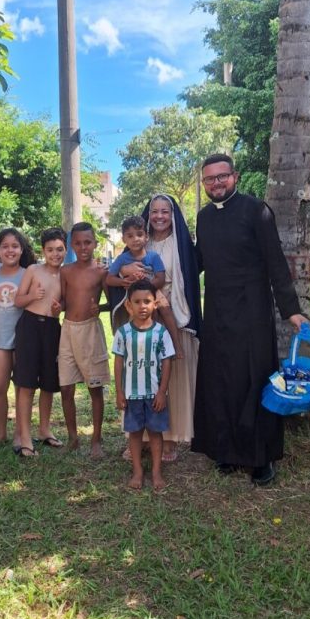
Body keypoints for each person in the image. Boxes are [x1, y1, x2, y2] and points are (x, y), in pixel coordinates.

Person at [191, 154, 308, 485]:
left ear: (235, 177)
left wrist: (291, 310)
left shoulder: (257, 211)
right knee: (221, 381)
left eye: (221, 177)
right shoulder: (203, 218)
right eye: (210, 179)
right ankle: (226, 452)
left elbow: (275, 263)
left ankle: (261, 457)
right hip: (216, 313)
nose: (216, 183)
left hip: (252, 312)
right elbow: (199, 260)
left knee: (254, 380)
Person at [138, 194, 201, 462]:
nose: (160, 216)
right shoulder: (141, 243)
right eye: (155, 211)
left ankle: (170, 439)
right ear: (148, 215)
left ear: (173, 214)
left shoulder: (182, 245)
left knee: (172, 379)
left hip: (176, 313)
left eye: (165, 211)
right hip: (144, 315)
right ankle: (140, 435)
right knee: (143, 376)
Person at [112, 280, 175, 492]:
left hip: (154, 394)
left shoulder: (161, 333)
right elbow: (118, 362)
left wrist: (162, 392)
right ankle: (137, 471)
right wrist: (120, 392)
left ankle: (156, 471)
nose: (142, 306)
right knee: (135, 433)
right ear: (129, 305)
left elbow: (167, 362)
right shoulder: (123, 333)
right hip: (131, 394)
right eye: (137, 302)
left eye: (147, 301)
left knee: (156, 433)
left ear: (155, 304)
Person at [0, 227, 35, 446]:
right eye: (5, 246)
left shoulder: (28, 274)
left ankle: (21, 434)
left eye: (15, 246)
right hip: (0, 342)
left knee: (22, 388)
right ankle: (1, 433)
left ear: (21, 249)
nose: (10, 250)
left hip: (23, 341)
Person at [12, 227, 67, 457]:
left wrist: (59, 307)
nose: (56, 254)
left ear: (66, 249)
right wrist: (33, 297)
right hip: (30, 326)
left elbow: (65, 303)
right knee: (26, 383)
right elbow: (17, 300)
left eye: (60, 249)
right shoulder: (33, 270)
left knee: (48, 382)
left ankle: (45, 429)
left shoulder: (66, 275)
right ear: (43, 250)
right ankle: (24, 436)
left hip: (53, 329)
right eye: (51, 250)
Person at [58, 222, 110, 456]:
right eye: (77, 243)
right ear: (72, 245)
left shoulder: (101, 272)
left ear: (95, 243)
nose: (83, 247)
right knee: (66, 387)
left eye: (87, 242)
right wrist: (57, 305)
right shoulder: (65, 271)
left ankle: (96, 439)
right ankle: (72, 437)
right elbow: (62, 301)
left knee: (94, 388)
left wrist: (100, 308)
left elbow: (111, 302)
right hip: (68, 330)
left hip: (90, 332)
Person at [106, 216, 183, 354]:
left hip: (152, 291)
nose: (135, 239)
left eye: (139, 234)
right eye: (130, 236)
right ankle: (129, 351)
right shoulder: (122, 259)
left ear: (146, 237)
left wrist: (147, 286)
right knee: (134, 318)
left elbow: (160, 278)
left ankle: (176, 345)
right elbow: (109, 279)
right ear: (124, 239)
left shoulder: (153, 257)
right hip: (133, 294)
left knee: (165, 308)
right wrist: (123, 281)